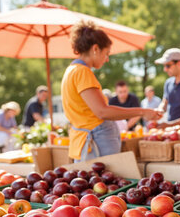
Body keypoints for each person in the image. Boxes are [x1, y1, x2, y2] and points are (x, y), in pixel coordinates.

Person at [61, 20, 162, 162]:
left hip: (87, 137)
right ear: (95, 49)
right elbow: (102, 111)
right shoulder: (82, 72)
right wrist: (142, 111)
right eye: (106, 53)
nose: (107, 59)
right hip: (98, 138)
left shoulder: (71, 71)